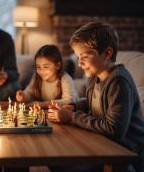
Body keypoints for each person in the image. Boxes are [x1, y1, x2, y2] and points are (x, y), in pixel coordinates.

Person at [48, 22, 144, 172]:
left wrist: (72, 117)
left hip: (123, 154)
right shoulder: (94, 76)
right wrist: (74, 107)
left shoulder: (119, 81)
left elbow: (114, 129)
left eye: (84, 56)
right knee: (55, 161)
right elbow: (92, 102)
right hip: (102, 144)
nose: (79, 63)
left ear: (107, 53)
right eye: (78, 57)